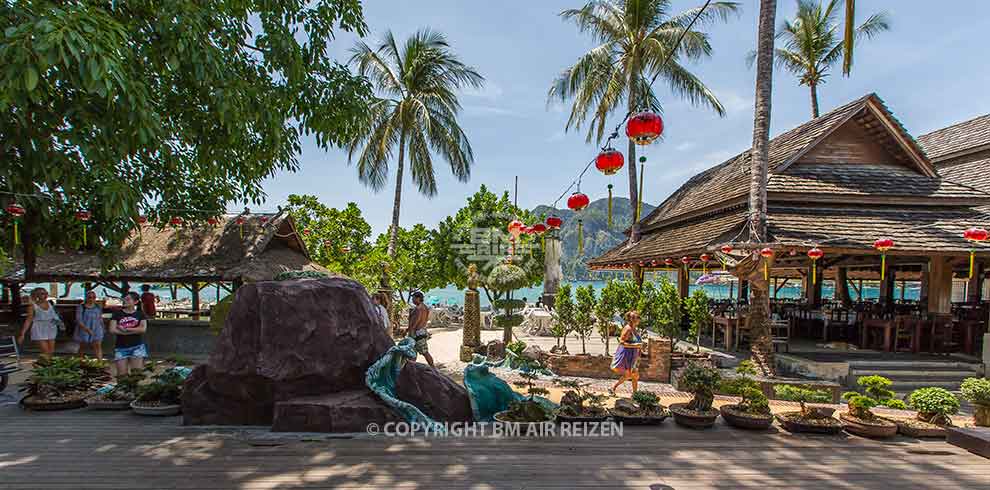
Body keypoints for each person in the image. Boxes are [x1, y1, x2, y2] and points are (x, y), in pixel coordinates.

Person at [110, 292, 149, 377]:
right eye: (124, 299)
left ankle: (134, 390)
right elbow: (112, 329)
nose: (125, 301)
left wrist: (126, 330)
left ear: (135, 302)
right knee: (121, 375)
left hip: (137, 347)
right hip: (120, 347)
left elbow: (142, 329)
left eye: (128, 299)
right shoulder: (117, 314)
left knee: (136, 374)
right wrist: (133, 331)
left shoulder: (140, 314)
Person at [17, 288, 62, 358]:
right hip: (38, 328)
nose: (45, 295)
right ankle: (45, 366)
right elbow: (28, 320)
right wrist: (22, 334)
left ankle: (45, 366)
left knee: (51, 351)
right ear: (37, 295)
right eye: (42, 293)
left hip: (51, 327)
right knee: (46, 351)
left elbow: (54, 316)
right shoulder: (32, 306)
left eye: (46, 293)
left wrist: (61, 325)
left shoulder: (50, 303)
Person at [610, 310, 644, 395]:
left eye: (639, 317)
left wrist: (641, 348)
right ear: (632, 319)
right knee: (632, 375)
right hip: (628, 356)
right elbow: (621, 342)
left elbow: (635, 342)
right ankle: (634, 395)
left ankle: (614, 388)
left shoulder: (634, 329)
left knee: (634, 376)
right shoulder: (628, 328)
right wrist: (636, 346)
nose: (639, 319)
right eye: (637, 317)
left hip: (634, 356)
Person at [407, 291, 434, 367]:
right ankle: (411, 368)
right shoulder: (425, 307)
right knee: (414, 352)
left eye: (413, 298)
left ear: (418, 298)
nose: (412, 300)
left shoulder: (418, 309)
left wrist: (411, 332)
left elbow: (416, 322)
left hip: (417, 333)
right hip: (422, 331)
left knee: (424, 352)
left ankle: (433, 368)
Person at [75, 291, 104, 359]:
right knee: (83, 347)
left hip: (97, 328)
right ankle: (79, 361)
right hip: (84, 328)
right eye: (89, 297)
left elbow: (100, 318)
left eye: (94, 297)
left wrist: (102, 327)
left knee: (98, 346)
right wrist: (87, 330)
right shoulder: (81, 307)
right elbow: (79, 320)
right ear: (86, 298)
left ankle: (100, 363)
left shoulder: (98, 306)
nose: (92, 299)